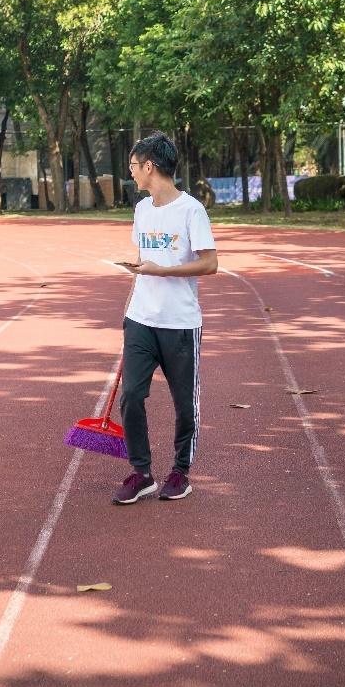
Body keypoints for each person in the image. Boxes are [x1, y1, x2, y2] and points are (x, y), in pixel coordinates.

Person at [112, 131, 217, 504]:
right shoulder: (142, 210)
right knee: (130, 396)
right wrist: (130, 304)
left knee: (184, 402)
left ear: (150, 166)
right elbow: (144, 263)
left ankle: (180, 471)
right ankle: (141, 472)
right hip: (141, 318)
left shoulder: (191, 210)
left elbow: (210, 263)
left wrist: (161, 271)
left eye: (133, 166)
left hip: (179, 323)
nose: (131, 173)